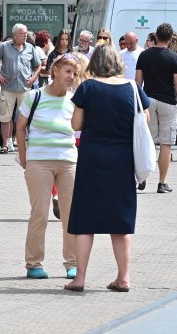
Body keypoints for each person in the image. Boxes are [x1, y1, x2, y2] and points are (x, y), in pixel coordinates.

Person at [64, 44, 151, 292]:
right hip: (123, 160)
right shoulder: (132, 87)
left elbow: (76, 125)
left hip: (92, 158)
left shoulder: (88, 87)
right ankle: (123, 278)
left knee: (84, 220)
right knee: (120, 220)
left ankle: (79, 278)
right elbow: (144, 119)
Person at [17, 53, 82, 280]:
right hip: (39, 162)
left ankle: (72, 263)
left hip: (68, 161)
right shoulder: (34, 96)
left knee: (70, 214)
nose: (71, 77)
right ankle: (34, 263)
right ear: (55, 71)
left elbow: (80, 131)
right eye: (67, 71)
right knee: (39, 213)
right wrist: (24, 158)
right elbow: (20, 127)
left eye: (74, 73)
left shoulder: (75, 101)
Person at [135, 23, 177, 193]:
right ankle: (162, 183)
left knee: (146, 141)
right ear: (170, 38)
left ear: (155, 36)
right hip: (168, 103)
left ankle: (141, 177)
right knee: (166, 144)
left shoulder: (144, 55)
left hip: (148, 101)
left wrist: (138, 105)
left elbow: (138, 83)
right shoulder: (174, 57)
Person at [0, 23, 43, 154]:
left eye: (26, 33)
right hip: (8, 87)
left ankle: (26, 143)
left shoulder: (30, 48)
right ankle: (5, 144)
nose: (25, 35)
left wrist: (33, 78)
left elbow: (39, 66)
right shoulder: (4, 46)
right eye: (22, 33)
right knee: (5, 117)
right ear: (15, 34)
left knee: (26, 117)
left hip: (24, 88)